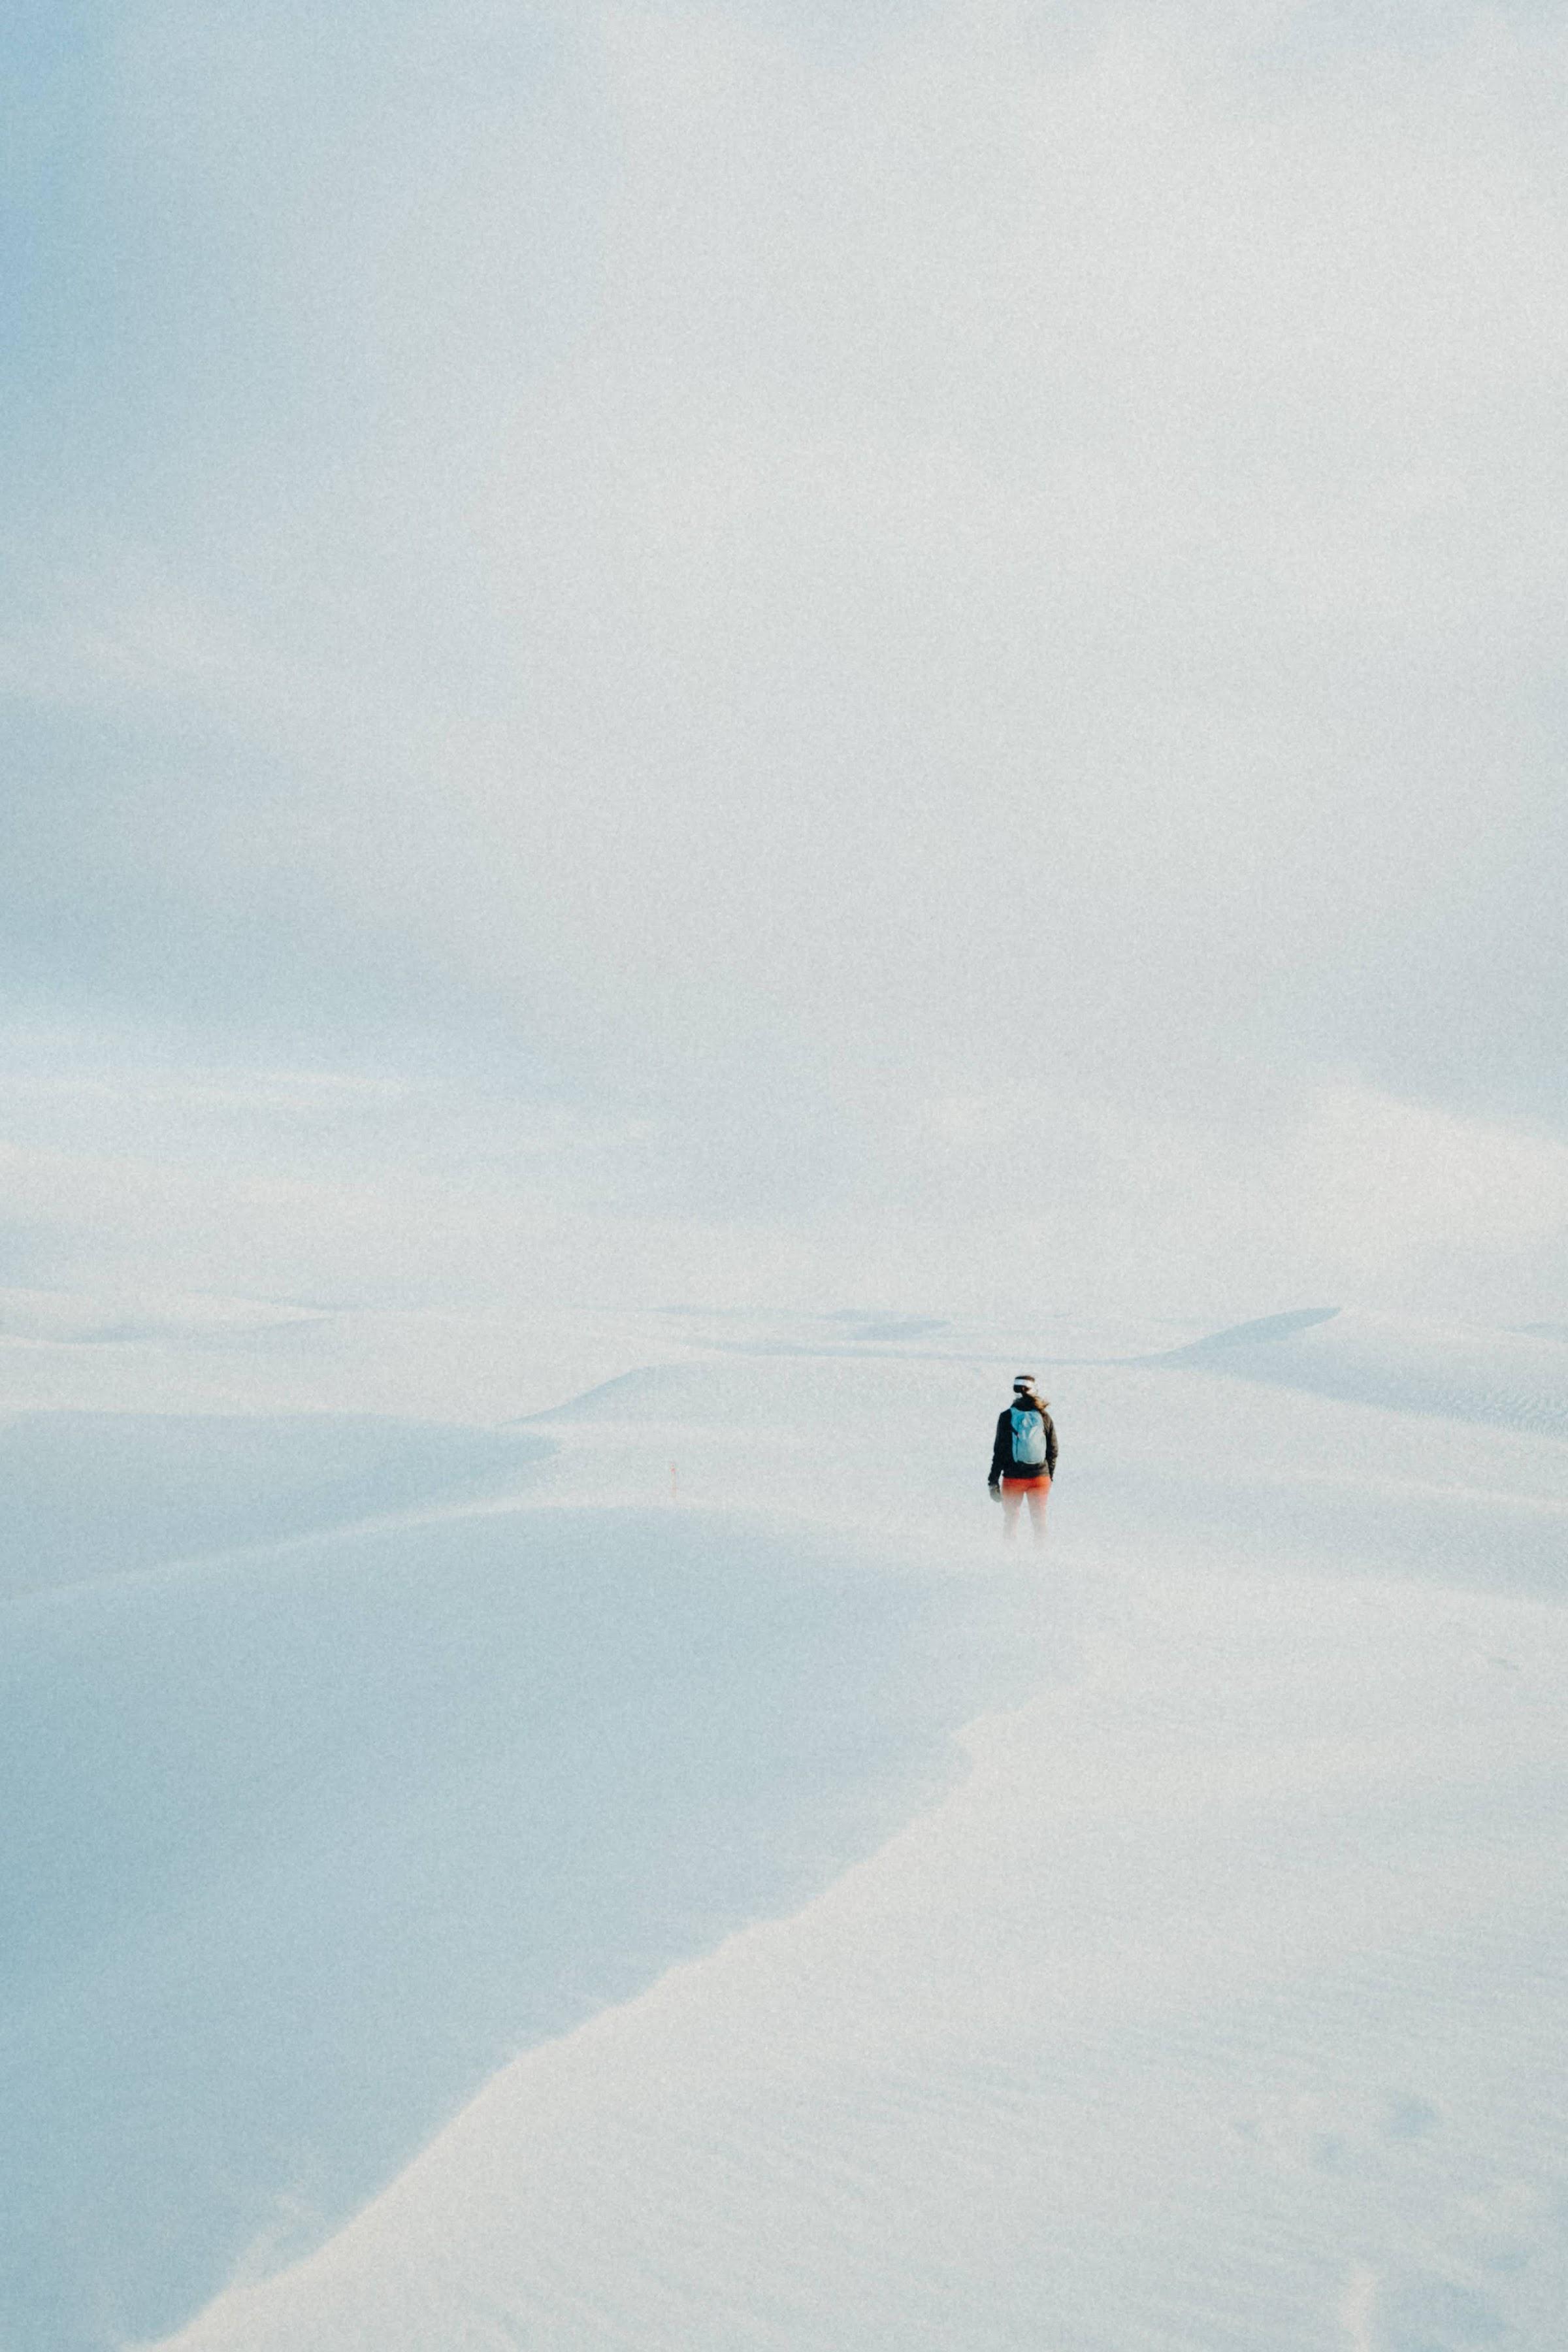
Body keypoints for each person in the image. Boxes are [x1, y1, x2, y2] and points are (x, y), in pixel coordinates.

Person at [988, 1375, 1057, 1542]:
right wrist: (1049, 1475)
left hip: (1013, 1478)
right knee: (1039, 1521)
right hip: (1040, 1477)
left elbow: (1000, 1451)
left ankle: (1009, 1558)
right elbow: (1053, 1450)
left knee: (1011, 1521)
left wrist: (993, 1481)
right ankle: (1043, 1559)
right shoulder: (1044, 1417)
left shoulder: (1006, 1416)